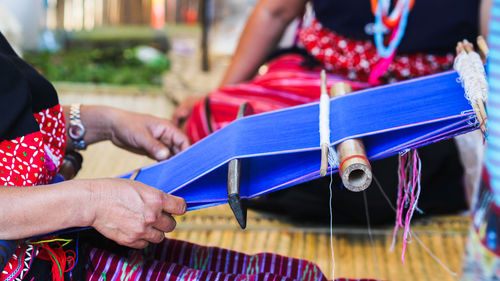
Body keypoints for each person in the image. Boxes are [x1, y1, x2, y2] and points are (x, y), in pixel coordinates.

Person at [0, 32, 336, 281]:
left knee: (299, 275)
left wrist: (101, 122)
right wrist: (90, 202)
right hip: (37, 265)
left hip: (61, 236)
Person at [173, 0, 489, 225]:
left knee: (451, 154)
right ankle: (341, 185)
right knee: (209, 117)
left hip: (418, 100)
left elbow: (492, 43)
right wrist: (219, 93)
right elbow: (274, 10)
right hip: (317, 83)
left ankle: (295, 181)